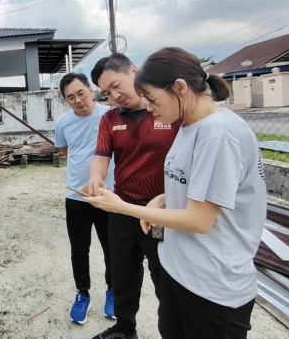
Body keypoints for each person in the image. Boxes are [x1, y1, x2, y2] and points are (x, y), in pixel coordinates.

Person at [85, 47, 266, 339]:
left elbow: (200, 219)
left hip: (213, 283)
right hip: (183, 267)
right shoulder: (187, 126)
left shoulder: (216, 133)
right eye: (106, 93)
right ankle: (124, 326)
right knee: (127, 278)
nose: (149, 106)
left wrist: (124, 208)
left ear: (179, 88)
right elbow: (189, 180)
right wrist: (165, 197)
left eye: (152, 98)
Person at [86, 53, 179, 339]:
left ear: (134, 71)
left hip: (161, 211)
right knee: (123, 273)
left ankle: (174, 331)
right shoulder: (111, 119)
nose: (115, 96)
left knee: (165, 278)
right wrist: (95, 177)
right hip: (122, 207)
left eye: (117, 85)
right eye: (107, 92)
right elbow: (101, 156)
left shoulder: (168, 111)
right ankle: (125, 329)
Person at [54, 72, 116, 325]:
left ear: (91, 90)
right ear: (65, 100)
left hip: (108, 195)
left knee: (111, 248)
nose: (78, 100)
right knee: (79, 249)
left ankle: (113, 290)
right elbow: (67, 151)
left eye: (81, 93)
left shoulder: (109, 115)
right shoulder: (63, 122)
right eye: (71, 97)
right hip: (76, 195)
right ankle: (82, 293)